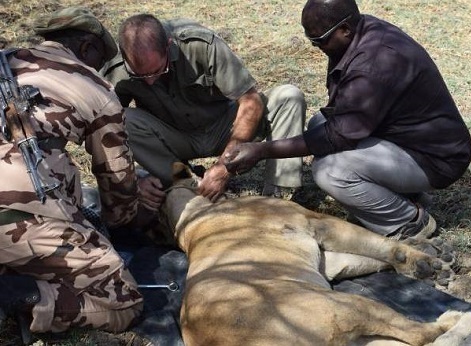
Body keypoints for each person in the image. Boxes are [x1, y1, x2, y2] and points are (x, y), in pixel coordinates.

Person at [224, 0, 471, 240]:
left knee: (330, 171)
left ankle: (408, 222)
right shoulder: (361, 31)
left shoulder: (374, 64)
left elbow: (338, 135)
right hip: (404, 139)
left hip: (435, 159)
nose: (315, 46)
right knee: (318, 123)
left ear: (344, 29)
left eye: (319, 40)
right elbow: (338, 121)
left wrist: (262, 150)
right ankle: (404, 195)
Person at [0, 6, 149, 337]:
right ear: (87, 48)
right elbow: (118, 185)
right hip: (14, 218)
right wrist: (125, 223)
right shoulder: (95, 87)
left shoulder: (7, 60)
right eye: (100, 59)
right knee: (124, 303)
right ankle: (18, 296)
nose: (98, 68)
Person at [102, 14, 306, 204]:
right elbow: (102, 131)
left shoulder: (200, 45)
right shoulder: (116, 68)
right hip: (173, 136)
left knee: (288, 97)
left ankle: (279, 196)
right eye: (139, 76)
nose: (150, 81)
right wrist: (132, 181)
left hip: (224, 127)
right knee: (120, 120)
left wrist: (225, 167)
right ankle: (187, 183)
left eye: (157, 71)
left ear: (169, 46)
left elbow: (250, 101)